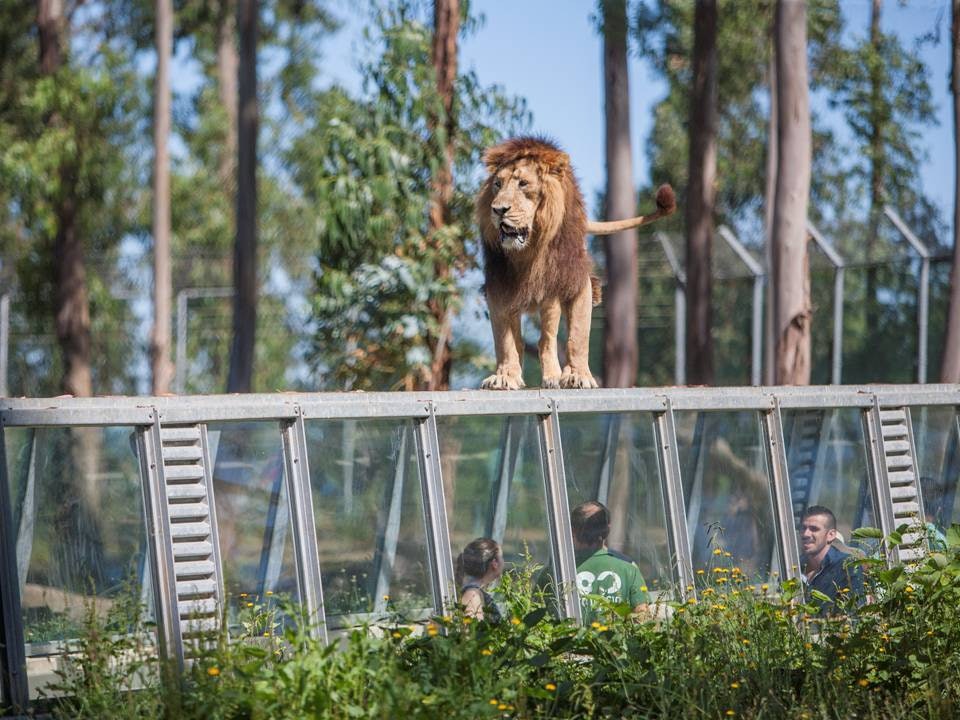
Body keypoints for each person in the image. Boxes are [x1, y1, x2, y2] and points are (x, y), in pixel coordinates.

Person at [570, 501, 650, 623]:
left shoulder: (558, 570)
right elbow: (642, 618)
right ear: (608, 529)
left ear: (572, 531)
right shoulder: (629, 569)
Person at [800, 505, 864, 616]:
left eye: (814, 529)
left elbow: (854, 614)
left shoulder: (846, 566)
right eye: (803, 528)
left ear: (831, 535)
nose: (806, 534)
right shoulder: (791, 567)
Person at [455, 537, 505, 623]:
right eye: (502, 557)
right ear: (495, 563)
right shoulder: (472, 595)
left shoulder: (476, 592)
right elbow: (471, 632)